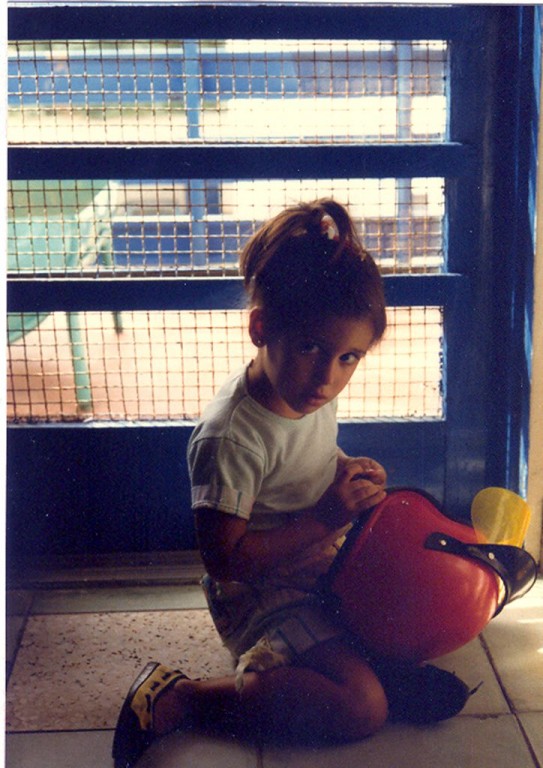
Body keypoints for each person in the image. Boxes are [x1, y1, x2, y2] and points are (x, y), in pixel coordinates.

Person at [112, 199, 472, 768]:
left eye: (348, 358)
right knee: (362, 708)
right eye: (311, 348)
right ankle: (186, 698)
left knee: (430, 597)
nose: (327, 378)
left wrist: (347, 472)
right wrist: (327, 518)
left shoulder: (305, 393)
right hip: (260, 592)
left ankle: (358, 666)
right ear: (261, 327)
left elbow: (310, 458)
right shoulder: (231, 437)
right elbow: (225, 563)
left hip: (316, 555)